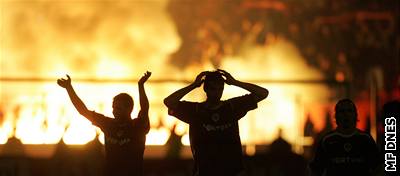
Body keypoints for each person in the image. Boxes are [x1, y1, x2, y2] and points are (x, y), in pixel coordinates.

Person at [164, 69, 269, 176]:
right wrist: (193, 85)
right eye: (213, 89)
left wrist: (235, 82)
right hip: (205, 171)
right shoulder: (195, 110)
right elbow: (169, 102)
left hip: (232, 171)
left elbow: (263, 93)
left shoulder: (232, 107)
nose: (217, 93)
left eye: (220, 89)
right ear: (206, 89)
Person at [57, 71, 151, 176]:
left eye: (118, 108)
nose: (114, 111)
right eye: (113, 107)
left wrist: (141, 85)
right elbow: (83, 111)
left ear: (129, 109)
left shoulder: (138, 126)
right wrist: (69, 88)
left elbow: (145, 108)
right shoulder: (108, 124)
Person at [309, 99, 381, 176]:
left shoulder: (365, 139)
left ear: (355, 115)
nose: (346, 115)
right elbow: (315, 170)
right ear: (336, 116)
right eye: (342, 111)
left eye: (349, 111)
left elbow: (378, 168)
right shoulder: (327, 140)